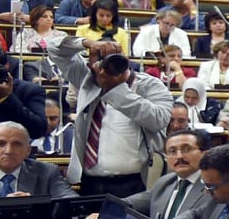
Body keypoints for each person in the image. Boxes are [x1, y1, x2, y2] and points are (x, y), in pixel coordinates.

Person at [51, 35, 171, 198]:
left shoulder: (150, 85)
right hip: (89, 182)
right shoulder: (86, 79)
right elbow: (53, 48)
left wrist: (117, 89)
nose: (106, 66)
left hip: (134, 183)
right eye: (100, 58)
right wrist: (87, 43)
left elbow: (159, 120)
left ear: (125, 58)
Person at [125, 128, 214, 219]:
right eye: (172, 151)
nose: (179, 156)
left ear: (205, 153)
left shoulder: (213, 187)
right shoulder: (165, 182)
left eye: (186, 149)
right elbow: (129, 203)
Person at [0, 122, 68, 198]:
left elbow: (69, 201)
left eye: (17, 144)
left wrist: (32, 204)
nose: (9, 151)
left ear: (28, 151)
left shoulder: (47, 172)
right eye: (1, 144)